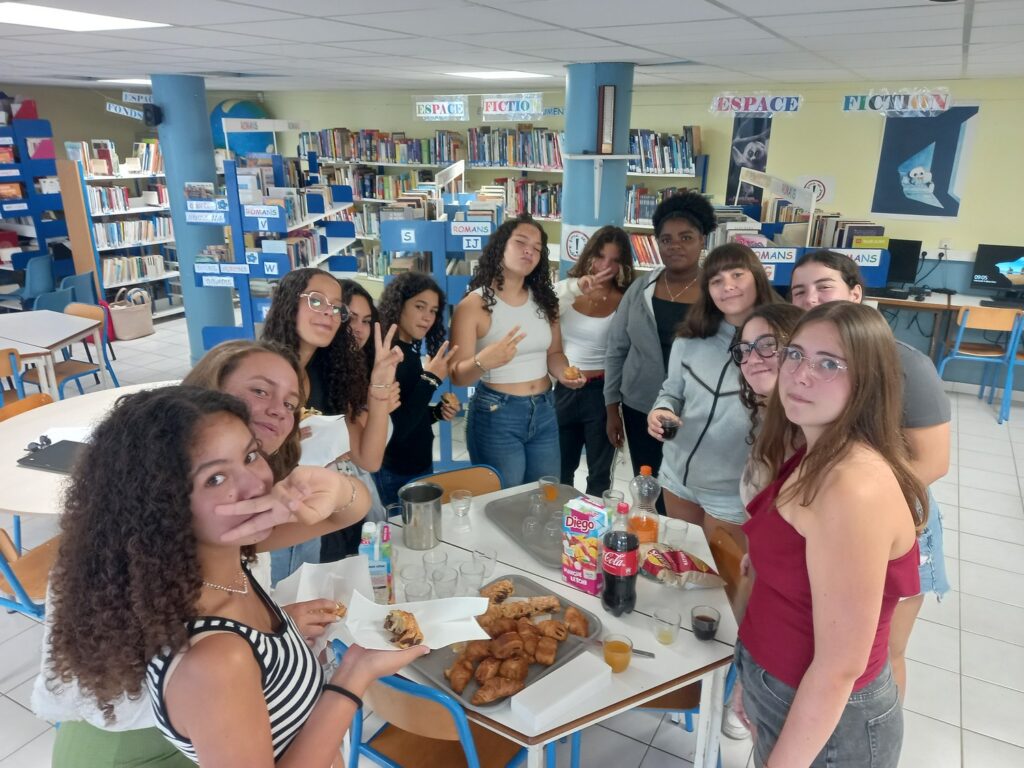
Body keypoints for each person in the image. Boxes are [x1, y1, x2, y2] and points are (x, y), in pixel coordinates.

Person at [40, 386, 414, 767]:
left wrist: (333, 488)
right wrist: (352, 677)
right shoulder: (217, 660)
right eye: (215, 479)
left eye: (250, 455)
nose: (257, 484)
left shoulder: (227, 560)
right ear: (163, 508)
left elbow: (350, 509)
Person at [734, 302, 925, 767]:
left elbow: (840, 667)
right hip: (784, 690)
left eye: (829, 364)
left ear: (867, 382)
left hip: (833, 724)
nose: (800, 375)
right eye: (795, 354)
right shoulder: (813, 448)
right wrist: (748, 681)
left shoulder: (852, 487)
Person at [789, 249, 951, 698]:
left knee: (884, 653)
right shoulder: (802, 362)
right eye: (799, 291)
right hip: (827, 514)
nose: (810, 299)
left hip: (898, 522)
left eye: (824, 287)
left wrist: (857, 505)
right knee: (833, 643)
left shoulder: (905, 364)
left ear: (856, 294)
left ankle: (877, 727)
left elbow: (933, 462)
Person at [262, 268, 403, 562]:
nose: (328, 312)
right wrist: (283, 447)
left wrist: (379, 389)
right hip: (273, 522)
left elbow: (368, 459)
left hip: (320, 514)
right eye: (316, 301)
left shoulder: (332, 375)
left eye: (337, 308)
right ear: (289, 303)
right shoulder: (258, 370)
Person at [647, 244, 779, 543]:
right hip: (676, 479)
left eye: (737, 275)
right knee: (682, 562)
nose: (727, 286)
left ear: (758, 278)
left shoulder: (778, 346)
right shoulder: (689, 338)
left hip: (733, 492)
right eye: (716, 280)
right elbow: (672, 391)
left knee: (723, 572)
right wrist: (662, 409)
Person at [604, 192, 716, 513]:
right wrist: (612, 408)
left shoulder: (716, 293)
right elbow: (617, 349)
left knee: (690, 491)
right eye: (666, 239)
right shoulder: (640, 289)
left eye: (686, 237)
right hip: (640, 407)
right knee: (648, 487)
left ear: (702, 240)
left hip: (697, 411)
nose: (675, 246)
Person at [450, 214, 577, 486]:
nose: (529, 251)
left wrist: (565, 373)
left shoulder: (546, 301)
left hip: (544, 409)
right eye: (521, 242)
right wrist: (483, 361)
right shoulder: (473, 306)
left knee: (546, 493)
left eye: (537, 248)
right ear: (500, 247)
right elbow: (457, 375)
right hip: (497, 413)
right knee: (504, 499)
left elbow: (554, 355)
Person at [553, 225, 634, 495]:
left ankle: (593, 522)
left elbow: (622, 355)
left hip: (601, 394)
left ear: (622, 265)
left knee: (599, 477)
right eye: (600, 256)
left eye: (614, 260)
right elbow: (544, 311)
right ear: (588, 255)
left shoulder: (624, 301)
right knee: (559, 471)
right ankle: (560, 519)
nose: (605, 266)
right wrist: (577, 287)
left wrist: (614, 409)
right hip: (564, 387)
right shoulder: (567, 291)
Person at [374, 272, 459, 506]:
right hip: (395, 470)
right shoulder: (389, 355)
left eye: (433, 310)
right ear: (399, 305)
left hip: (420, 463)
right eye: (420, 306)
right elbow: (396, 429)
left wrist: (437, 412)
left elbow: (410, 414)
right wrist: (431, 380)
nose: (427, 317)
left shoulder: (409, 348)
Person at [732, 304, 805, 507]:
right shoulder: (769, 417)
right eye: (745, 349)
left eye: (767, 345)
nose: (752, 359)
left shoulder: (815, 435)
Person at [340, 278, 377, 370]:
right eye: (350, 318)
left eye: (365, 321)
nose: (359, 329)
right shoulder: (313, 370)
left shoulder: (366, 363)